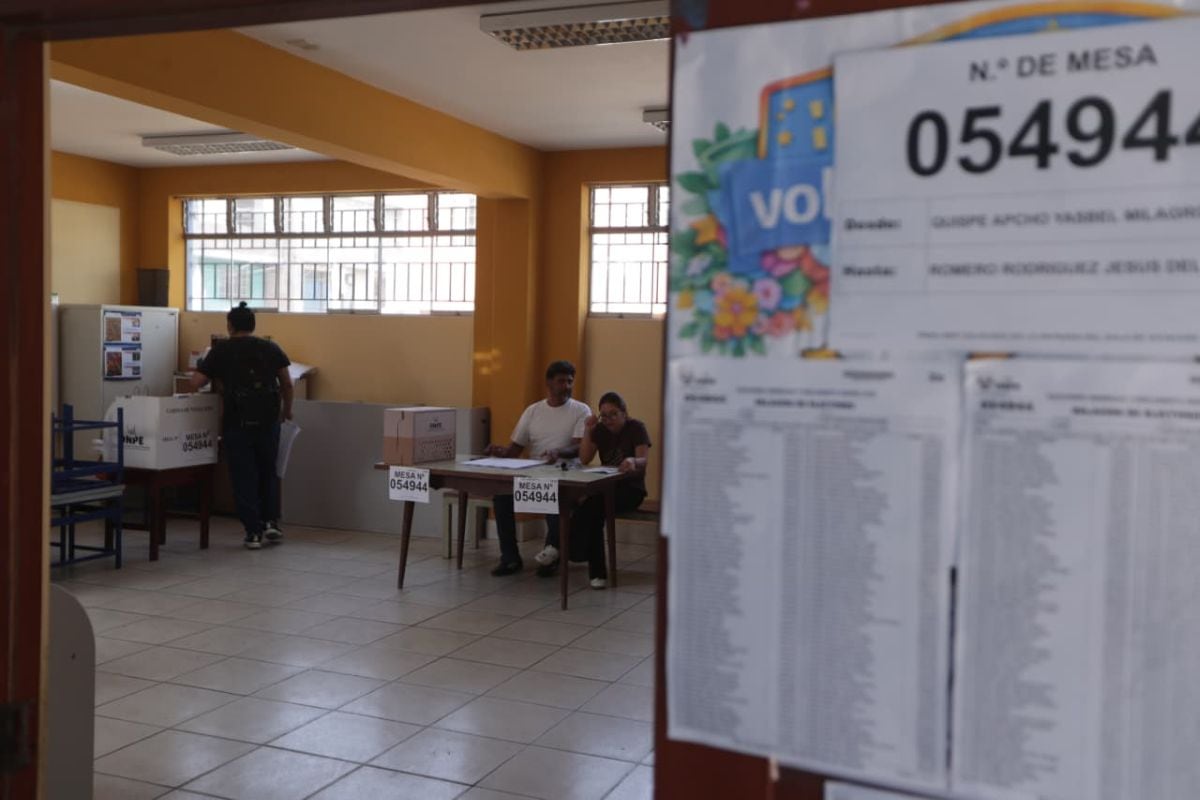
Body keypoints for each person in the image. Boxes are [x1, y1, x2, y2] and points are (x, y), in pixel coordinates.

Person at [189, 302, 293, 550]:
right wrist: (286, 411)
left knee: (243, 475)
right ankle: (271, 522)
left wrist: (213, 374)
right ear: (253, 325)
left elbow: (195, 382)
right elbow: (287, 384)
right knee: (268, 471)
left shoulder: (221, 350)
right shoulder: (270, 347)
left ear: (230, 326)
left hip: (237, 422)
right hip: (269, 421)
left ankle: (253, 532)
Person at [483, 360, 590, 576]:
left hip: (565, 473)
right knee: (502, 497)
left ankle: (551, 556)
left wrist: (558, 452)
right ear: (548, 383)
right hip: (533, 472)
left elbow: (579, 446)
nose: (567, 386)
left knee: (555, 499)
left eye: (570, 381)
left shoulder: (581, 410)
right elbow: (515, 449)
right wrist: (500, 451)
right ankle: (510, 558)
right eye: (561, 381)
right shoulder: (533, 411)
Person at [573, 391, 650, 589]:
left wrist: (633, 460)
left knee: (591, 507)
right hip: (606, 487)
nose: (608, 420)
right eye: (604, 415)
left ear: (624, 413)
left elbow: (643, 460)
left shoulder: (636, 427)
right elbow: (584, 459)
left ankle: (577, 555)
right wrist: (588, 430)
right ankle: (594, 571)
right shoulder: (600, 429)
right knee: (588, 508)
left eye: (613, 414)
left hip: (631, 489)